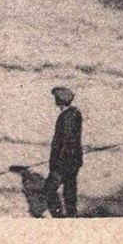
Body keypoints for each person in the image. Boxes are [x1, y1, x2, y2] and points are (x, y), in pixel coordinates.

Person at [47, 87, 84, 217]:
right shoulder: (75, 114)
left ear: (59, 101)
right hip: (74, 160)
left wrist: (58, 162)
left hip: (64, 161)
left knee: (49, 189)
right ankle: (71, 216)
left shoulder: (65, 117)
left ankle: (58, 216)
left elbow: (65, 141)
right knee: (70, 190)